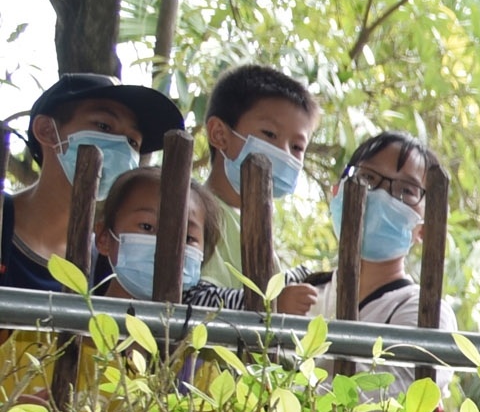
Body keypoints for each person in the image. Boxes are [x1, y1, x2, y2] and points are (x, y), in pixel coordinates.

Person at [2, 73, 183, 293]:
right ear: (47, 131)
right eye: (105, 126)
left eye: (132, 141)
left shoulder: (111, 260)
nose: (122, 148)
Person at [195, 63, 319, 309]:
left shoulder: (258, 227)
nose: (283, 153)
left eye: (297, 147)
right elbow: (192, 298)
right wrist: (269, 304)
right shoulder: (195, 211)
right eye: (270, 134)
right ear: (220, 134)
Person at [309, 132, 457, 329]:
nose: (381, 194)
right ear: (336, 192)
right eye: (368, 177)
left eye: (406, 190)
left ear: (425, 228)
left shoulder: (422, 311)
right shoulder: (301, 290)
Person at [91, 166, 225, 308]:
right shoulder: (75, 324)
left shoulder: (207, 311)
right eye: (147, 227)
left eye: (187, 238)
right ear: (104, 238)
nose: (166, 246)